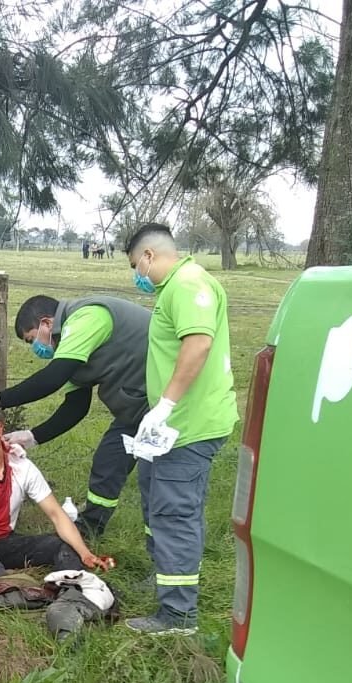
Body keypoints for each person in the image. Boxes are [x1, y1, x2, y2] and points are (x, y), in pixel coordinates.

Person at [123, 223, 238, 635]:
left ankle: (178, 615)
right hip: (170, 426)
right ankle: (168, 575)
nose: (138, 275)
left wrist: (167, 403)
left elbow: (198, 344)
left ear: (150, 256)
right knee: (157, 498)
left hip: (188, 425)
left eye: (137, 265)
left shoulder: (187, 284)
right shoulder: (172, 288)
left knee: (175, 511)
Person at [0, 293, 151, 537]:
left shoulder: (88, 317)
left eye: (32, 339)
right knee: (108, 461)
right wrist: (33, 437)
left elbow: (52, 378)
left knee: (158, 481)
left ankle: (166, 553)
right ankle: (88, 531)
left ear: (46, 323)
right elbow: (76, 406)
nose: (36, 348)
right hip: (139, 409)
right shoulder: (72, 345)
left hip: (171, 401)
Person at [0, 411, 111, 577]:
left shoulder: (22, 467)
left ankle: (70, 586)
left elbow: (57, 515)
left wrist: (85, 553)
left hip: (0, 543)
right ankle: (5, 582)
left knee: (59, 545)